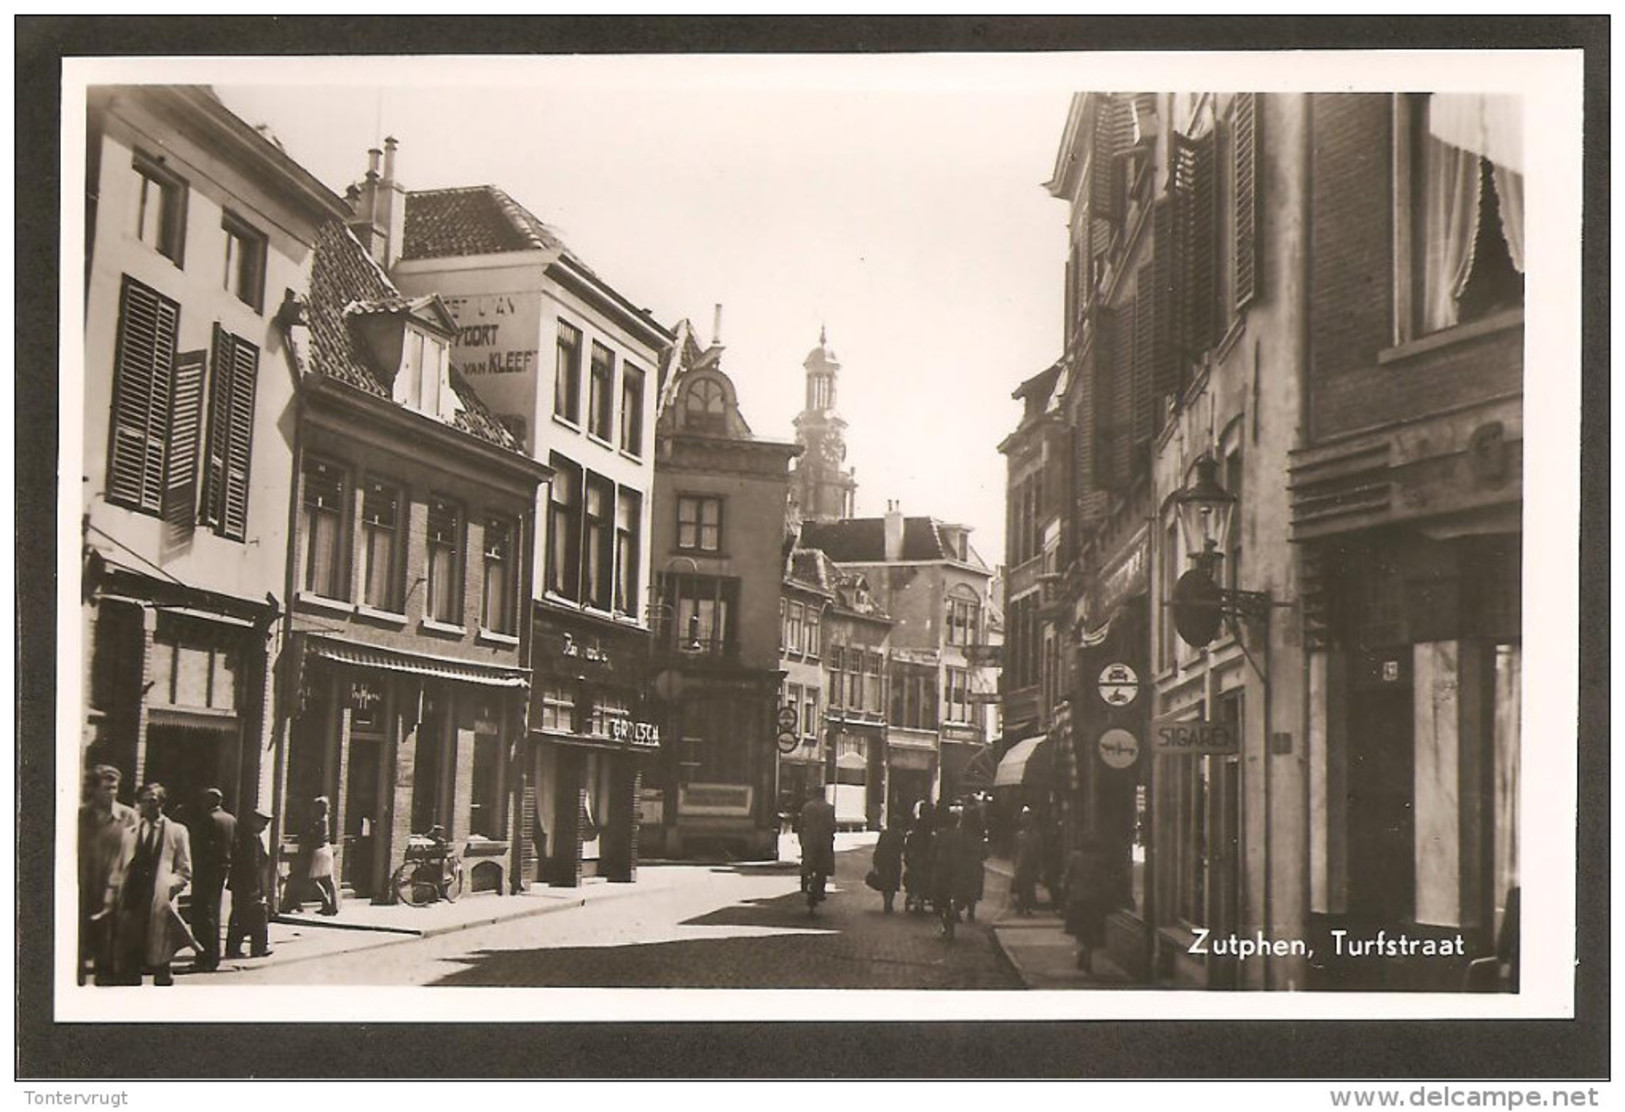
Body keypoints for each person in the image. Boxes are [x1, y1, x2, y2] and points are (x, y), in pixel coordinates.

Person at [113, 783, 196, 985]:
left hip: (159, 900)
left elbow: (185, 870)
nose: (149, 805)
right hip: (133, 901)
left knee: (161, 959)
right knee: (131, 958)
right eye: (144, 801)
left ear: (162, 803)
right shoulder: (129, 833)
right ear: (138, 804)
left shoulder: (177, 831)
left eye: (154, 800)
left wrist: (170, 887)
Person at [78, 764, 137, 985]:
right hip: (84, 890)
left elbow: (135, 857)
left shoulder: (128, 817)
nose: (112, 793)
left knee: (108, 953)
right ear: (94, 789)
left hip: (113, 894)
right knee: (77, 952)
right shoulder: (81, 816)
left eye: (115, 788)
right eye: (106, 788)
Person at [188, 787, 236, 971]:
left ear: (210, 801)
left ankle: (204, 957)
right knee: (214, 913)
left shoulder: (208, 819)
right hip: (222, 869)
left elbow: (201, 847)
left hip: (205, 871)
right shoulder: (231, 819)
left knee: (202, 914)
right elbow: (234, 845)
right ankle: (213, 956)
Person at [225, 809, 274, 959]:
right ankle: (258, 948)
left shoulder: (248, 836)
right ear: (254, 821)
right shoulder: (251, 839)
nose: (265, 826)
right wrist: (257, 888)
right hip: (249, 885)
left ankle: (236, 948)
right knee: (256, 915)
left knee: (240, 916)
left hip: (243, 885)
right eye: (263, 822)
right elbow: (253, 865)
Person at [1064, 837, 1112, 973]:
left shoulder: (1075, 858)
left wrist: (1065, 894)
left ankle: (1082, 951)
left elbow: (1068, 878)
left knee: (1080, 929)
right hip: (1095, 899)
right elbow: (1104, 881)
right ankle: (1088, 957)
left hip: (1078, 898)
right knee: (1091, 929)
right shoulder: (1100, 860)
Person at [797, 785, 837, 916]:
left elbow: (801, 824)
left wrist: (801, 839)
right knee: (823, 866)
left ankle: (804, 883)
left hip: (810, 839)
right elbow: (833, 826)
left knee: (807, 861)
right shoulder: (829, 808)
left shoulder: (807, 807)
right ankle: (821, 890)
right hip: (824, 841)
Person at [303, 796, 340, 915]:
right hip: (327, 849)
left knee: (312, 880)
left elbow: (314, 837)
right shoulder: (326, 818)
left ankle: (326, 903)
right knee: (329, 880)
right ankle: (334, 905)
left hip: (319, 851)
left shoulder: (320, 821)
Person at [902, 800, 935, 915]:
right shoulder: (931, 826)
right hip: (925, 858)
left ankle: (915, 896)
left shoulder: (917, 825)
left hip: (916, 857)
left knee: (915, 876)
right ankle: (922, 897)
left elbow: (910, 843)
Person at [870, 819, 905, 914]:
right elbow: (902, 848)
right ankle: (890, 902)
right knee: (893, 882)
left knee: (884, 880)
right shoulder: (900, 835)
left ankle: (886, 900)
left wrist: (875, 861)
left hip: (883, 859)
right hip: (894, 861)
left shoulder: (884, 834)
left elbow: (879, 846)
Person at [961, 801, 988, 922]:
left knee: (960, 887)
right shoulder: (979, 838)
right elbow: (985, 854)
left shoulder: (961, 834)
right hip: (975, 864)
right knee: (973, 888)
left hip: (962, 863)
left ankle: (956, 910)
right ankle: (971, 911)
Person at [1012, 807, 1042, 916]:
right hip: (1023, 863)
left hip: (1029, 864)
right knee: (1023, 886)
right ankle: (1024, 906)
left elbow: (1038, 851)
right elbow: (1015, 852)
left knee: (1028, 886)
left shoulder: (1033, 836)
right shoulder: (1020, 835)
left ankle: (1026, 906)